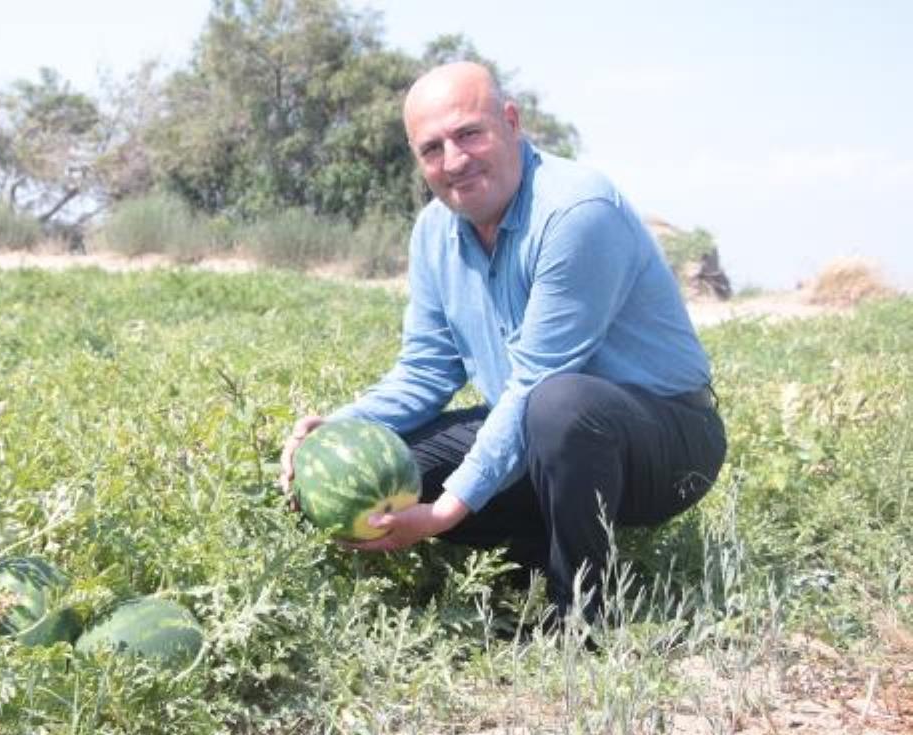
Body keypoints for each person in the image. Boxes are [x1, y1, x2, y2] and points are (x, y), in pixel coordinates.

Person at [280, 61, 727, 623]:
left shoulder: (576, 211)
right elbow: (425, 371)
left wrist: (445, 512)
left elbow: (537, 382)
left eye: (469, 133)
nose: (455, 160)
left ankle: (585, 616)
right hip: (542, 431)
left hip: (665, 440)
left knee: (560, 407)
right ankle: (542, 561)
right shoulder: (434, 233)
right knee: (401, 462)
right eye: (432, 149)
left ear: (511, 122)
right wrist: (338, 430)